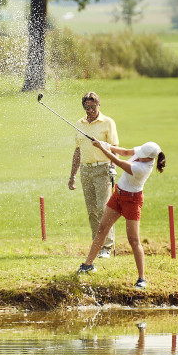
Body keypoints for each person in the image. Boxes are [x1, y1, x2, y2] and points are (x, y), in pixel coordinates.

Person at [76, 140, 166, 289]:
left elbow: (117, 160)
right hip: (117, 196)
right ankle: (88, 265)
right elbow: (124, 152)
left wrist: (101, 148)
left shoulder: (142, 168)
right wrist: (105, 144)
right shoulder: (144, 152)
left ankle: (142, 279)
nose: (139, 154)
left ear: (150, 159)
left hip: (132, 201)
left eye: (142, 155)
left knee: (133, 240)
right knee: (102, 229)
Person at [68, 91, 120, 259]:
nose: (89, 110)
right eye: (86, 107)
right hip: (86, 170)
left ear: (99, 105)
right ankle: (96, 246)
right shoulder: (79, 123)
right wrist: (72, 176)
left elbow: (115, 147)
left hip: (103, 169)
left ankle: (107, 246)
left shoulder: (107, 123)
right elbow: (78, 151)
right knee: (92, 211)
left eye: (93, 106)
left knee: (103, 209)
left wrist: (113, 166)